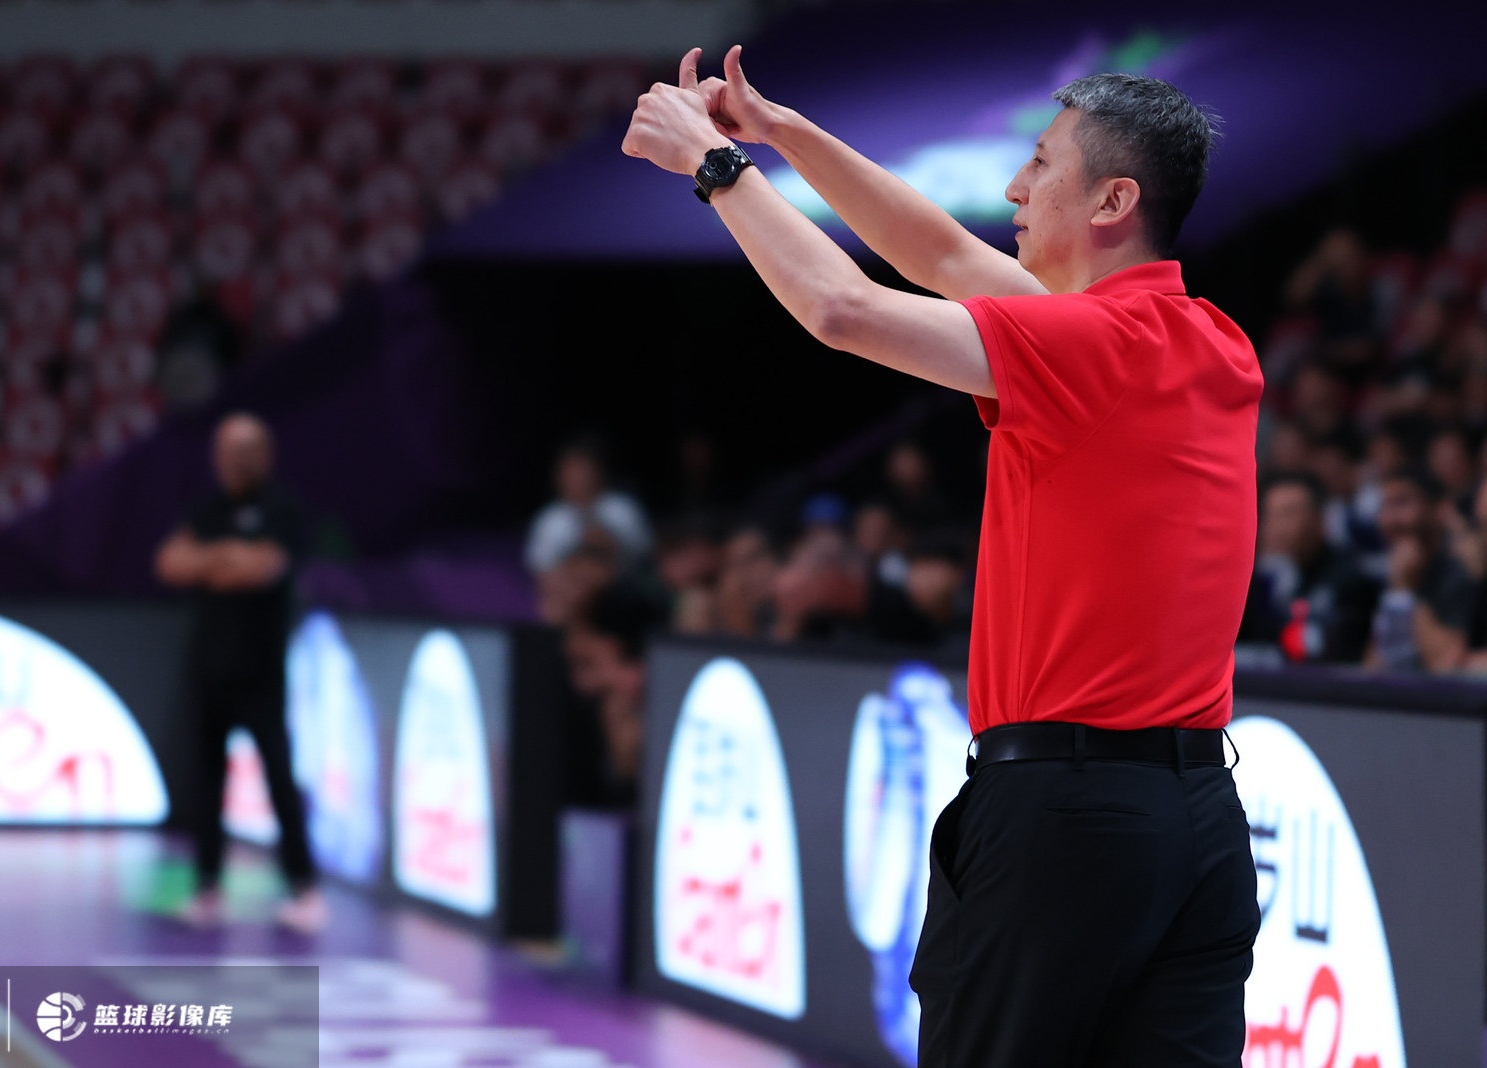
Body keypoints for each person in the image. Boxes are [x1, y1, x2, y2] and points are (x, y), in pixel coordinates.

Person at [626, 48, 1261, 1066]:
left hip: (1062, 820)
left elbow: (841, 308)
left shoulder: (1085, 349)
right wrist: (781, 131)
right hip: (1199, 823)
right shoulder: (1210, 340)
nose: (1014, 188)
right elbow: (946, 258)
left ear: (1113, 200)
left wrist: (714, 165)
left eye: (1041, 164)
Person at [153, 412, 324, 932]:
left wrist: (212, 561)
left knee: (279, 778)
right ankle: (207, 888)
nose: (234, 460)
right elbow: (170, 563)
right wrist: (228, 556)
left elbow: (261, 568)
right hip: (208, 668)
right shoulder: (207, 508)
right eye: (227, 450)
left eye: (245, 450)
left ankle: (303, 888)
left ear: (264, 455)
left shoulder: (282, 510)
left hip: (261, 671)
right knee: (206, 782)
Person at [1237, 471, 1378, 663]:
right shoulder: (1253, 580)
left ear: (1320, 519)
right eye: (1270, 514)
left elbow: (1321, 649)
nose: (1277, 526)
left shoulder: (1349, 581)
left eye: (1288, 514)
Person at [1364, 465, 1479, 672]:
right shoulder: (1395, 570)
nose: (1389, 520)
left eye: (1401, 503)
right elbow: (1374, 667)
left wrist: (1406, 589)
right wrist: (1400, 590)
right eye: (1384, 506)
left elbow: (1444, 664)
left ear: (1439, 509)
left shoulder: (1463, 570)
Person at [523, 435, 652, 576]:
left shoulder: (622, 507)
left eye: (583, 469)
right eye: (571, 471)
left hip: (623, 581)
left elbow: (645, 551)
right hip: (569, 583)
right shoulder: (549, 518)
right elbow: (539, 564)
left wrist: (612, 541)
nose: (578, 477)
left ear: (598, 471)